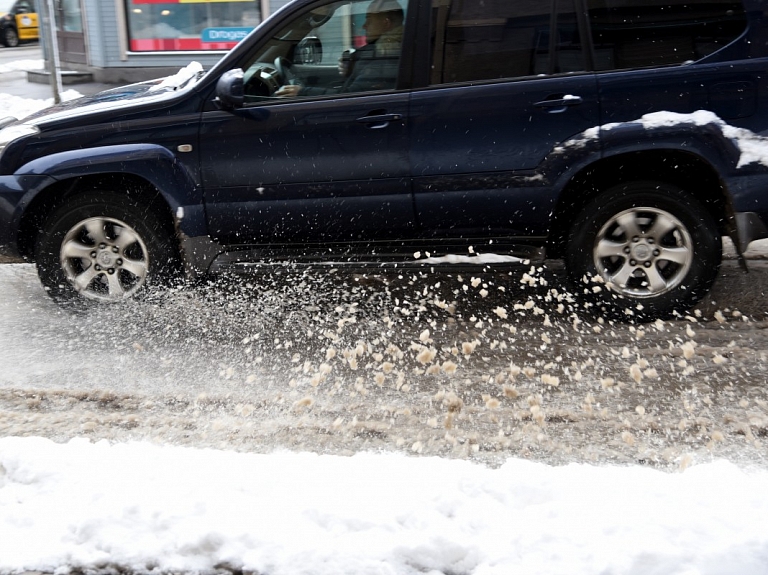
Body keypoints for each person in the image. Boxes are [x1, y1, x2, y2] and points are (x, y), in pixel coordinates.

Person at [275, 0, 404, 97]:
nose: (364, 26)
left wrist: (302, 92)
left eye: (368, 20)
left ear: (386, 23)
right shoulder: (378, 50)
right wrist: (352, 67)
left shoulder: (386, 54)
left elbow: (350, 95)